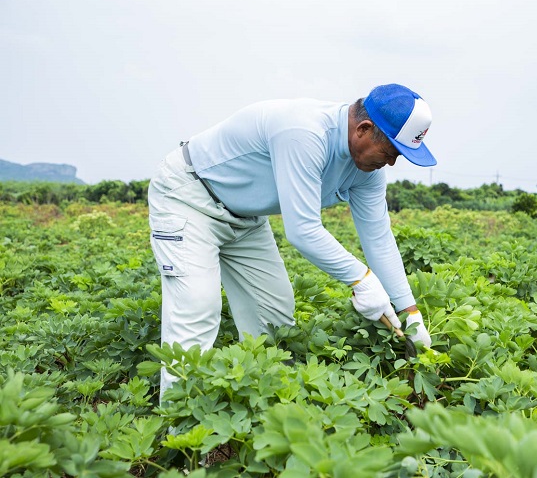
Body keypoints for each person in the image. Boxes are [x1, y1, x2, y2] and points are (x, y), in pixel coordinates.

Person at [148, 83, 435, 400]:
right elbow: (302, 230)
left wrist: (410, 314)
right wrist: (362, 279)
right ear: (364, 129)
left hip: (245, 217)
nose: (391, 163)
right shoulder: (305, 132)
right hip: (189, 197)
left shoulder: (368, 171)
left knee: (274, 317)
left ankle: (254, 412)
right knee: (197, 308)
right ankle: (180, 434)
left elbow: (378, 237)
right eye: (391, 152)